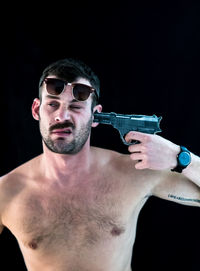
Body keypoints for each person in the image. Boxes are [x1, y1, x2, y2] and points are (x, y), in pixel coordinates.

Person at [0, 58, 199, 271]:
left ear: (96, 116)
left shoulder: (134, 173)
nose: (62, 116)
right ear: (36, 109)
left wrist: (180, 157)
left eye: (75, 107)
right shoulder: (7, 191)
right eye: (53, 104)